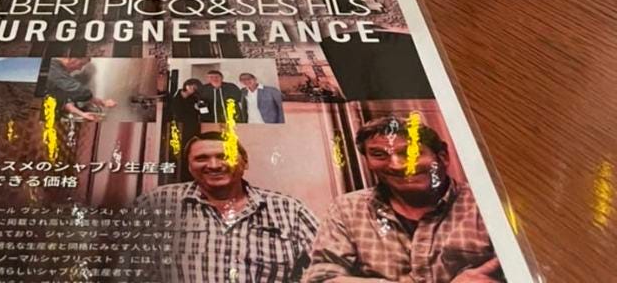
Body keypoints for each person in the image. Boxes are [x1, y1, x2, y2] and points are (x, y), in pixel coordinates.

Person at [305, 116, 504, 283]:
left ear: (442, 157)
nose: (397, 165)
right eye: (379, 155)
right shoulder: (347, 208)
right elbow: (322, 278)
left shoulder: (487, 204)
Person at [138, 133, 318, 283]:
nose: (214, 165)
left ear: (245, 162)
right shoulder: (156, 202)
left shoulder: (289, 209)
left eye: (225, 156)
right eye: (201, 158)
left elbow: (329, 265)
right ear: (190, 167)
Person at [44, 56, 117, 122]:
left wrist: (82, 114)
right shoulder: (52, 67)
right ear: (70, 58)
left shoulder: (60, 74)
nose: (79, 69)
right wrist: (103, 102)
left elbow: (65, 102)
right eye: (81, 64)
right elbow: (77, 90)